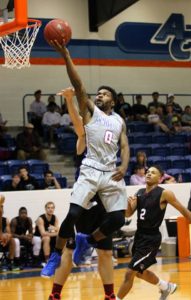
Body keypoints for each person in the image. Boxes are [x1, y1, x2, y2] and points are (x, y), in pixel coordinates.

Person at [41, 41, 129, 291]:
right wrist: (66, 56)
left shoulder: (119, 120)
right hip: (91, 169)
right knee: (72, 215)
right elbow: (79, 86)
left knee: (118, 219)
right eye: (98, 93)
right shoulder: (91, 112)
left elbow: (125, 146)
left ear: (112, 99)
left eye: (104, 93)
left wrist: (124, 165)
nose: (99, 95)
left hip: (110, 173)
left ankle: (88, 241)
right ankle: (55, 256)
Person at [47, 88, 117, 300]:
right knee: (70, 248)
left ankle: (109, 295)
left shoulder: (111, 134)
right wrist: (70, 99)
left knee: (105, 252)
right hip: (86, 198)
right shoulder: (84, 137)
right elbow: (78, 121)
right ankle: (55, 294)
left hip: (105, 197)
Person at [116, 165, 191, 300]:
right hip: (139, 237)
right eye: (148, 172)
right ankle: (166, 287)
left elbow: (184, 211)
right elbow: (128, 214)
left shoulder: (164, 193)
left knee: (129, 273)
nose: (148, 174)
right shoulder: (139, 192)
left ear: (160, 178)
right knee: (139, 272)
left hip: (151, 239)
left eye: (153, 172)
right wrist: (127, 203)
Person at [0, 195, 17, 271]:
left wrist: (6, 236)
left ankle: (11, 262)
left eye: (2, 207)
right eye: (0, 207)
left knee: (12, 240)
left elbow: (10, 233)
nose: (1, 209)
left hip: (3, 239)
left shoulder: (5, 219)